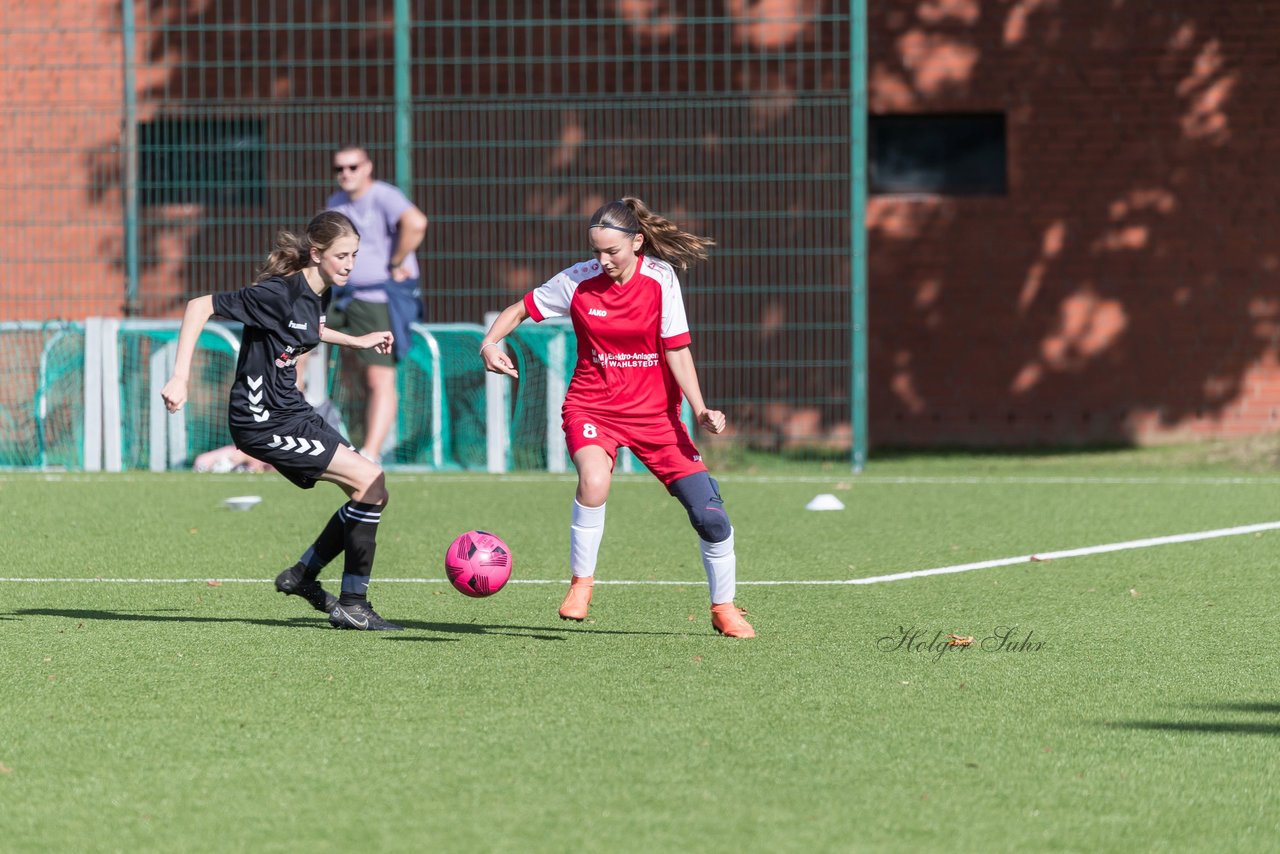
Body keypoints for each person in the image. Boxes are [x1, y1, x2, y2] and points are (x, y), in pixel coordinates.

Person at [479, 197, 755, 638]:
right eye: (596, 251)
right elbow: (517, 311)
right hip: (593, 407)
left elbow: (677, 350)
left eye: (613, 251)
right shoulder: (577, 281)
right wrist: (489, 344)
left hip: (655, 419)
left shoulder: (661, 278)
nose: (603, 261)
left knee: (712, 518)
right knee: (594, 480)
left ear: (638, 243)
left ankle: (724, 608)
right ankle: (581, 584)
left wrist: (700, 407)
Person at [161, 211, 403, 631]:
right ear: (316, 254)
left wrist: (357, 339)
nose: (350, 263)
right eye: (342, 255)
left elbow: (312, 328)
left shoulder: (320, 291)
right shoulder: (276, 294)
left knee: (373, 492)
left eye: (354, 255)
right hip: (261, 422)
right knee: (371, 480)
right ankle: (352, 603)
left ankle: (303, 575)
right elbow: (199, 306)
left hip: (291, 410)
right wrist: (180, 377)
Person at [325, 143, 429, 464]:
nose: (346, 174)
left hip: (377, 300)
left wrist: (396, 261)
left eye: (353, 167)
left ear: (368, 167)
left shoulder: (383, 195)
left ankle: (371, 454)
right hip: (342, 297)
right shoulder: (336, 203)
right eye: (339, 169)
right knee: (298, 346)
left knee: (378, 377)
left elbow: (416, 223)